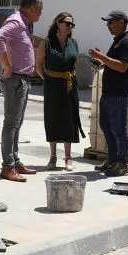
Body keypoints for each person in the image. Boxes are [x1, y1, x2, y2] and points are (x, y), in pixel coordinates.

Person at [0, 0, 44, 182]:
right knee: (11, 124)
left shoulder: (24, 23)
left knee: (17, 124)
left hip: (23, 79)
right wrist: (6, 65)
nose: (40, 15)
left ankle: (14, 161)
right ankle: (7, 167)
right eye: (39, 11)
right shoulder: (16, 22)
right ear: (31, 8)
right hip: (14, 78)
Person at [88, 10, 128, 177]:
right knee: (107, 127)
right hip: (108, 93)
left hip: (119, 94)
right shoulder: (118, 41)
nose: (108, 26)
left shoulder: (127, 42)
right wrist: (101, 61)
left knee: (118, 130)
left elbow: (122, 66)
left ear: (122, 22)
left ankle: (123, 164)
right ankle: (112, 160)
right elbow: (113, 65)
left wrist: (101, 57)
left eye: (111, 22)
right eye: (107, 23)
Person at [36, 12, 85, 171]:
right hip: (52, 85)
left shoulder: (74, 43)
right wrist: (48, 80)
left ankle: (68, 157)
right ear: (58, 23)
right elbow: (38, 66)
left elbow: (74, 63)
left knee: (69, 119)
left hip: (70, 85)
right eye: (67, 23)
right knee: (53, 119)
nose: (70, 26)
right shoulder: (47, 43)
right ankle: (52, 156)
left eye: (72, 24)